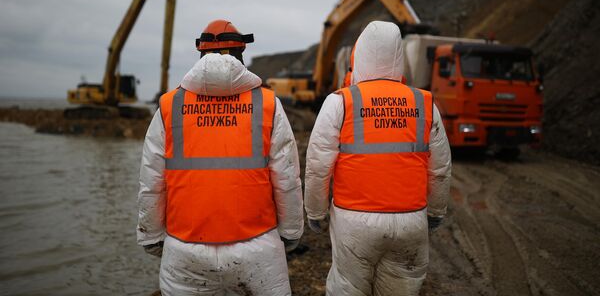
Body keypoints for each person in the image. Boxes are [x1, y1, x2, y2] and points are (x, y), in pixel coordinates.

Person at [137, 19, 304, 295]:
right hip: (258, 248)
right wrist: (291, 231)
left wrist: (151, 235)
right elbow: (286, 177)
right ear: (241, 54)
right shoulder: (267, 103)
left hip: (185, 249)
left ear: (200, 53)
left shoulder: (169, 105)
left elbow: (152, 180)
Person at [304, 21, 452, 296]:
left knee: (348, 288)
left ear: (359, 55)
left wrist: (316, 212)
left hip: (354, 220)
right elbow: (440, 168)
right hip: (410, 219)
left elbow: (317, 165)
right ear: (399, 56)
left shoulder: (342, 101)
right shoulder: (424, 102)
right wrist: (435, 211)